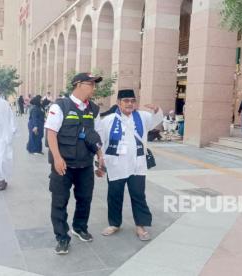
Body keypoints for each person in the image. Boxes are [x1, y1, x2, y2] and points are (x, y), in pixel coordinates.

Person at [45, 72, 104, 255]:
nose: (94, 88)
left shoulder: (94, 109)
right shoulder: (60, 106)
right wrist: (57, 158)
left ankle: (79, 228)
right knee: (59, 202)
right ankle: (62, 237)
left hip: (85, 164)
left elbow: (96, 136)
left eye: (95, 84)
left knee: (85, 198)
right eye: (91, 84)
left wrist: (100, 157)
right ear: (78, 84)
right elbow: (51, 132)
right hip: (64, 165)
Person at [96, 89, 163, 241]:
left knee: (138, 195)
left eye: (132, 101)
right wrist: (99, 162)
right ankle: (114, 223)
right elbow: (100, 141)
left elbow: (157, 119)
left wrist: (157, 110)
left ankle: (140, 225)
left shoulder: (143, 116)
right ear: (118, 103)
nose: (130, 104)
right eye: (126, 101)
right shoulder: (109, 120)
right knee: (114, 196)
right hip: (115, 165)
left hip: (137, 165)